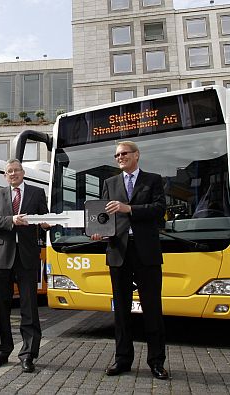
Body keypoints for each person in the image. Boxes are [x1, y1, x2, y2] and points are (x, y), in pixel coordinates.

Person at [91, 141, 168, 380]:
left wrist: (129, 208)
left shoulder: (153, 180)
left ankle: (156, 362)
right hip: (118, 252)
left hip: (146, 252)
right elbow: (103, 215)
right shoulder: (109, 183)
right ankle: (122, 360)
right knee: (121, 311)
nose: (120, 157)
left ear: (136, 155)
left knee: (152, 308)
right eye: (116, 155)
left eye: (124, 153)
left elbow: (159, 209)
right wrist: (98, 230)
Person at [0, 159, 49, 373]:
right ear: (5, 176)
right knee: (0, 308)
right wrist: (12, 220)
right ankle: (2, 351)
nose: (13, 174)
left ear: (23, 173)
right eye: (9, 171)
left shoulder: (37, 193)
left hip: (27, 258)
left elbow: (44, 219)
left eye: (16, 170)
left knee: (29, 307)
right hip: (2, 258)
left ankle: (28, 354)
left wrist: (46, 223)